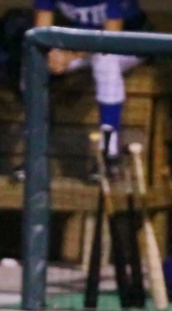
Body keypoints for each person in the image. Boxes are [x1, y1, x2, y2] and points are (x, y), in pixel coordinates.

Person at [34, 0, 151, 178]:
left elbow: (111, 36)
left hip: (129, 44)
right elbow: (41, 33)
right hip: (84, 46)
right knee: (36, 63)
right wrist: (52, 55)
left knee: (105, 61)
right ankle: (35, 154)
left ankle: (109, 155)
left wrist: (71, 56)